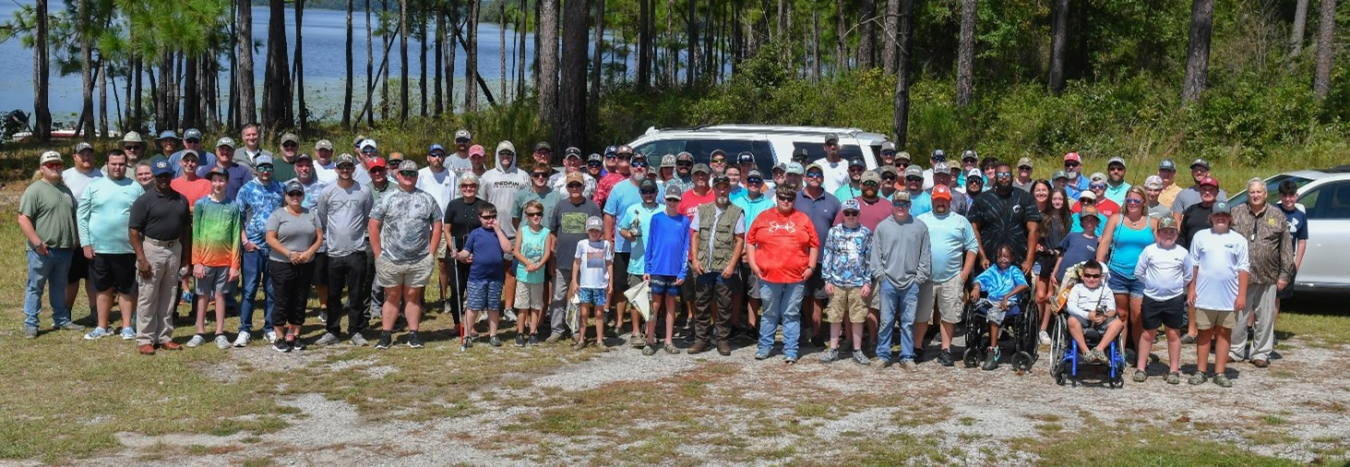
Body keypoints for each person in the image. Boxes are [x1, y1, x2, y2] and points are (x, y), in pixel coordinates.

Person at [370, 160, 443, 350]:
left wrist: (431, 253)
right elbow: (373, 225)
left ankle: (414, 334)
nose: (408, 177)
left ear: (417, 176)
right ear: (397, 175)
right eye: (405, 173)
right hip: (390, 258)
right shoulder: (386, 198)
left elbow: (437, 225)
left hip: (419, 259)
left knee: (413, 296)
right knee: (391, 296)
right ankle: (386, 335)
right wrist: (378, 254)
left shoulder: (427, 198)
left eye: (412, 174)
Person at [748, 183, 819, 364]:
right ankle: (765, 347)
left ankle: (791, 349)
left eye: (790, 198)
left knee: (791, 314)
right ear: (777, 198)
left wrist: (811, 267)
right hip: (768, 275)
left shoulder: (802, 219)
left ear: (794, 200)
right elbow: (750, 240)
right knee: (770, 312)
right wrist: (754, 265)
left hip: (796, 277)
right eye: (782, 198)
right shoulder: (763, 217)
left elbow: (814, 244)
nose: (786, 201)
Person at [77, 150, 143, 340]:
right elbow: (82, 216)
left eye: (121, 164)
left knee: (127, 289)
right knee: (103, 288)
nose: (117, 167)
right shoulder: (94, 186)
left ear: (126, 165)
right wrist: (85, 243)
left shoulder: (135, 187)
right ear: (107, 165)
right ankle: (102, 326)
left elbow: (142, 219)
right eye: (114, 164)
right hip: (100, 248)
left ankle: (126, 327)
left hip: (127, 248)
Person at [128, 159, 192, 355]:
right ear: (154, 177)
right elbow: (133, 231)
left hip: (174, 249)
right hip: (152, 249)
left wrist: (186, 258)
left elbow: (186, 230)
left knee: (169, 294)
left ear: (172, 176)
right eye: (160, 176)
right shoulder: (145, 200)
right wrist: (141, 259)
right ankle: (145, 338)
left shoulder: (181, 199)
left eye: (167, 175)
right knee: (148, 295)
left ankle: (164, 336)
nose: (164, 179)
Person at [20, 151, 84, 338]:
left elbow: (74, 217)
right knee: (35, 286)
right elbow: (23, 218)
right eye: (50, 165)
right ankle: (31, 323)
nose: (55, 167)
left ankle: (61, 320)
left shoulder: (65, 190)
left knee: (59, 286)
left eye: (58, 164)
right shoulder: (34, 190)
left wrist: (76, 240)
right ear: (42, 168)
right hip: (42, 250)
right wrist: (37, 243)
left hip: (65, 250)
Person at [1229, 179, 1292, 368]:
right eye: (1251, 192)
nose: (1255, 195)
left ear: (1265, 194)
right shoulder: (1236, 212)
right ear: (1248, 194)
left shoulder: (1277, 214)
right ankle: (1235, 350)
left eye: (1259, 192)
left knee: (1265, 317)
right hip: (1241, 276)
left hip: (1268, 275)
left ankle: (1261, 353)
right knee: (1239, 316)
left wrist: (1284, 275)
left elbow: (1286, 247)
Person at [1187, 201, 1248, 388]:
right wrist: (1191, 288)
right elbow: (1194, 264)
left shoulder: (1239, 240)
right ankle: (1201, 370)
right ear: (1211, 218)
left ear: (1230, 218)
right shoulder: (1200, 236)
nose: (1220, 218)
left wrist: (1242, 295)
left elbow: (1243, 268)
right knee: (1204, 333)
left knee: (1224, 333)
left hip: (1228, 297)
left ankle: (1220, 372)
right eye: (1217, 215)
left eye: (1224, 215)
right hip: (1205, 295)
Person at [315, 154, 374, 347]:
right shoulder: (327, 192)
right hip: (333, 252)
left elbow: (368, 217)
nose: (345, 170)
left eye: (349, 166)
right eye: (342, 166)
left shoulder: (364, 191)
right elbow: (322, 218)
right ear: (336, 169)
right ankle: (332, 330)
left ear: (354, 169)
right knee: (333, 294)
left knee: (356, 294)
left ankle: (355, 331)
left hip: (356, 251)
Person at [869, 191, 931, 370]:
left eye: (904, 204)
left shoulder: (920, 227)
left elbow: (925, 255)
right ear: (892, 205)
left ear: (910, 205)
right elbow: (875, 256)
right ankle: (883, 354)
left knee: (908, 322)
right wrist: (881, 276)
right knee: (886, 320)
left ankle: (907, 356)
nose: (901, 207)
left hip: (911, 283)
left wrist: (919, 279)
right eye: (897, 203)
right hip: (888, 282)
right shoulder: (882, 227)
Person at [917, 185, 978, 366]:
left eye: (944, 199)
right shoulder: (921, 220)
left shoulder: (960, 221)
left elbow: (972, 247)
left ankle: (945, 349)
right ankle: (917, 347)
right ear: (932, 200)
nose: (941, 203)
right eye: (937, 199)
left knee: (949, 316)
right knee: (920, 315)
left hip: (952, 277)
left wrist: (964, 274)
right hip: (925, 276)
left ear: (950, 201)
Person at [688, 175, 745, 356]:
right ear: (713, 189)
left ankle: (722, 340)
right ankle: (701, 340)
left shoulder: (737, 212)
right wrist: (695, 260)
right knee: (702, 304)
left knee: (724, 305)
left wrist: (731, 265)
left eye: (725, 187)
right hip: (704, 265)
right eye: (718, 187)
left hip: (724, 267)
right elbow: (695, 236)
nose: (722, 191)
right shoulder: (702, 210)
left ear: (729, 190)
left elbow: (739, 241)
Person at [264, 180, 323, 353]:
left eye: (298, 194)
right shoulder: (277, 215)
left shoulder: (311, 214)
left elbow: (319, 237)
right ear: (286, 196)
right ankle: (279, 337)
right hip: (282, 263)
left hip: (305, 263)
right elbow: (270, 238)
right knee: (282, 299)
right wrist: (289, 253)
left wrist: (309, 252)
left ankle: (295, 334)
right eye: (292, 194)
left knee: (300, 298)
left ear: (303, 196)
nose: (295, 197)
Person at [186, 167, 241, 350]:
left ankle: (219, 332)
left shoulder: (233, 206)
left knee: (220, 296)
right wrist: (197, 262)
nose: (218, 184)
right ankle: (200, 331)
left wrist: (235, 265)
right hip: (204, 260)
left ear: (227, 182)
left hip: (224, 262)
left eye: (221, 180)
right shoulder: (202, 204)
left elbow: (235, 237)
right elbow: (196, 234)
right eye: (214, 180)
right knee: (202, 296)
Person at [1097, 186, 1156, 356]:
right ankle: (1119, 353)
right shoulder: (1116, 219)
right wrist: (1100, 266)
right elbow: (1105, 242)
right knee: (1121, 315)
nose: (1132, 203)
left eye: (1136, 200)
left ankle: (1140, 354)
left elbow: (1162, 247)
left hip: (1141, 277)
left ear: (1143, 202)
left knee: (1138, 317)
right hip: (1117, 273)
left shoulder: (1152, 223)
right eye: (1129, 200)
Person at [1133, 216, 1192, 384]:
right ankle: (1141, 368)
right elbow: (1139, 272)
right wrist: (1151, 285)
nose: (1168, 235)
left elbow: (1188, 276)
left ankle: (1173, 369)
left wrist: (1175, 288)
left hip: (1174, 299)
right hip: (1151, 298)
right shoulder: (1149, 250)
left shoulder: (1182, 252)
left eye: (1171, 231)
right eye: (1164, 231)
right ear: (1157, 233)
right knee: (1148, 333)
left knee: (1173, 334)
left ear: (1176, 233)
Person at [548, 172, 604, 343]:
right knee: (558, 296)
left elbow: (598, 235)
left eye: (577, 185)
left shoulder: (592, 207)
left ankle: (575, 329)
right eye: (571, 185)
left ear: (583, 187)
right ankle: (556, 329)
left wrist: (597, 263)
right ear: (566, 187)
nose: (574, 188)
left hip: (585, 263)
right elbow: (553, 233)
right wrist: (551, 257)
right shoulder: (560, 206)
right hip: (562, 260)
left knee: (579, 298)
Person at [235, 156, 284, 346]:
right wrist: (244, 241)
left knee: (272, 291)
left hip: (274, 248)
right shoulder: (246, 189)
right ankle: (245, 329)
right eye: (262, 168)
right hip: (252, 248)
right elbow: (238, 218)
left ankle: (269, 328)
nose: (265, 171)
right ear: (255, 169)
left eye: (269, 168)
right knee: (249, 290)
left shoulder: (280, 188)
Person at [602, 154, 653, 336]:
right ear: (630, 168)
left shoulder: (656, 188)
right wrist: (608, 239)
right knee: (621, 285)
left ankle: (649, 323)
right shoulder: (619, 188)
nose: (639, 167)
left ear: (647, 168)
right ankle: (619, 322)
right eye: (636, 164)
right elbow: (609, 214)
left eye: (643, 165)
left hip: (648, 248)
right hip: (623, 246)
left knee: (648, 286)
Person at [482, 141, 532, 314]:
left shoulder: (523, 176)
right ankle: (489, 307)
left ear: (514, 156)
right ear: (497, 154)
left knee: (511, 271)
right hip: (491, 231)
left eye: (509, 153)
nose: (505, 156)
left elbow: (529, 204)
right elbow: (481, 204)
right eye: (502, 153)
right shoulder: (488, 176)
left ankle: (508, 307)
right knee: (490, 271)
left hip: (514, 232)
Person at [819, 198, 871, 365]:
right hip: (837, 282)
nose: (850, 216)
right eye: (847, 213)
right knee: (835, 316)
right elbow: (828, 255)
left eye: (853, 213)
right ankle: (833, 348)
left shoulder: (865, 232)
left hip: (858, 283)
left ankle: (857, 349)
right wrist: (827, 279)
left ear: (859, 214)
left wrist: (867, 282)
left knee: (858, 317)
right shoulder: (834, 232)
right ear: (842, 214)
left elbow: (869, 259)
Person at [643, 184, 693, 355]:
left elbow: (687, 247)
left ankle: (669, 340)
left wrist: (683, 271)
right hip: (657, 268)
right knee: (655, 305)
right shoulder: (656, 218)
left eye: (675, 200)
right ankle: (649, 340)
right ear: (664, 199)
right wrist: (647, 267)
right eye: (670, 199)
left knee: (671, 305)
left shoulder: (685, 220)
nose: (672, 202)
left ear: (679, 201)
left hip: (675, 270)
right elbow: (650, 243)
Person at [795, 163, 841, 347]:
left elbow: (837, 230)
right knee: (801, 295)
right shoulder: (795, 198)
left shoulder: (832, 201)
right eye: (811, 174)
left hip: (823, 257)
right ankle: (804, 328)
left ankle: (816, 333)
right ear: (804, 177)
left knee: (818, 297)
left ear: (822, 178)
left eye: (818, 174)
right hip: (798, 257)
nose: (814, 176)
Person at [969, 163, 1041, 277]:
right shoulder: (981, 199)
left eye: (1007, 174)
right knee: (986, 294)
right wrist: (982, 256)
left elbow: (1034, 230)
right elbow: (974, 230)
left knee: (1018, 294)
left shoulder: (1025, 197)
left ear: (1012, 177)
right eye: (1000, 174)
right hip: (988, 263)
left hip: (1018, 262)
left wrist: (1029, 260)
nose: (1004, 177)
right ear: (995, 177)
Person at [459, 202, 514, 348]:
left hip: (495, 277)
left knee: (494, 307)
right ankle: (467, 335)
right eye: (486, 217)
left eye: (493, 217)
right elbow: (466, 251)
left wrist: (499, 231)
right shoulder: (475, 234)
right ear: (479, 218)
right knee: (473, 306)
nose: (490, 220)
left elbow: (508, 248)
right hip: (477, 277)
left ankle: (493, 335)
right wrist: (458, 255)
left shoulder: (499, 233)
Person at [969, 245, 1030, 370]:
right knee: (977, 306)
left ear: (1012, 258)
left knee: (994, 313)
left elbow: (1023, 285)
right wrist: (976, 288)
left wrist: (1007, 296)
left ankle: (993, 351)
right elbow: (979, 280)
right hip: (993, 301)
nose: (1003, 259)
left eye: (1006, 256)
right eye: (1000, 257)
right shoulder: (993, 270)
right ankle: (976, 344)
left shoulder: (1014, 270)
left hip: (1011, 303)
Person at [417, 143, 460, 317]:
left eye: (440, 155)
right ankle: (420, 300)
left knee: (443, 263)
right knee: (421, 263)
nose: (437, 158)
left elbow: (455, 198)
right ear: (428, 157)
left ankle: (444, 299)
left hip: (443, 226)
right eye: (434, 155)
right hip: (422, 225)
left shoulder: (451, 175)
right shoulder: (420, 174)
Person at [619, 179, 664, 345]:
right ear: (640, 193)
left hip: (658, 263)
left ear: (657, 192)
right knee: (637, 298)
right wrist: (628, 234)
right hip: (637, 262)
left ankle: (649, 331)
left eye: (651, 191)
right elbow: (621, 228)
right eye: (645, 191)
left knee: (654, 300)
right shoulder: (633, 210)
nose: (648, 194)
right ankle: (636, 332)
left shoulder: (664, 210)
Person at [63, 142, 102, 323]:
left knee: (92, 277)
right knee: (71, 278)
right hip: (71, 237)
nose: (86, 158)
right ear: (74, 157)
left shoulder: (101, 176)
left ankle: (95, 312)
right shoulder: (65, 176)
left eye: (89, 154)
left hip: (94, 236)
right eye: (82, 154)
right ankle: (65, 313)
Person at [442, 174, 484, 331]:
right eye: (465, 185)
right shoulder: (453, 205)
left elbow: (486, 230)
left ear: (477, 187)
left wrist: (475, 253)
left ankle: (470, 324)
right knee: (457, 288)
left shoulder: (483, 205)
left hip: (476, 254)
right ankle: (457, 323)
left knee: (473, 289)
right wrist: (454, 250)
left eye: (472, 185)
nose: (468, 188)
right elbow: (447, 230)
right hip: (455, 253)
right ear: (460, 188)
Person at [1063, 260, 1125, 364]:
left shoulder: (1106, 290)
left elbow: (1112, 309)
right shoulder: (1077, 288)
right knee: (1072, 320)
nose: (1091, 279)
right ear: (1083, 276)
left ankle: (1099, 350)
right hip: (1082, 316)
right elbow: (1071, 306)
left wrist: (1105, 316)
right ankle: (1085, 352)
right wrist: (1087, 315)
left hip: (1101, 317)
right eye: (1088, 275)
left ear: (1101, 277)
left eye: (1095, 276)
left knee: (1118, 323)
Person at [512, 199, 553, 346]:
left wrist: (538, 265)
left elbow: (547, 253)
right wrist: (528, 263)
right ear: (527, 216)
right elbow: (516, 251)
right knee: (522, 305)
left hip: (538, 274)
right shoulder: (522, 231)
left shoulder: (546, 233)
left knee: (536, 305)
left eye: (538, 214)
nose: (535, 217)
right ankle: (520, 332)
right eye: (532, 214)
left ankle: (533, 331)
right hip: (523, 273)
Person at [569, 216, 614, 349]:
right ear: (587, 231)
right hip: (585, 285)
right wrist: (574, 281)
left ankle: (600, 340)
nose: (594, 233)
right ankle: (581, 339)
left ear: (601, 231)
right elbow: (577, 262)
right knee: (584, 312)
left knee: (599, 313)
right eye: (591, 230)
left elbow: (609, 263)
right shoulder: (582, 244)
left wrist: (611, 282)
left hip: (600, 285)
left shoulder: (605, 245)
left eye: (597, 230)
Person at [1035, 186, 1071, 343]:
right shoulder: (1042, 217)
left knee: (1051, 296)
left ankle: (1043, 329)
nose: (1057, 202)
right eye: (1055, 199)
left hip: (1059, 261)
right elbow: (1034, 235)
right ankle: (1034, 326)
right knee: (1040, 296)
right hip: (1042, 259)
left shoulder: (1068, 220)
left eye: (1060, 199)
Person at [1274, 180, 1307, 325]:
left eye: (1291, 195)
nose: (1288, 199)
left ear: (1297, 196)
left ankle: (1270, 330)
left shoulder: (1300, 215)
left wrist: (1296, 263)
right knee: (1259, 296)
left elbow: (1302, 240)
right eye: (1285, 195)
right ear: (1280, 196)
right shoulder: (1273, 211)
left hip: (1286, 262)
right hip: (1269, 260)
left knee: (1277, 297)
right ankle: (1250, 328)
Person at [1053, 205, 1102, 284]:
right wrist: (1054, 273)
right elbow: (1061, 254)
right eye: (1086, 220)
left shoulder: (1098, 242)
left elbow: (1100, 261)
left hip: (1082, 282)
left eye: (1092, 220)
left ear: (1097, 222)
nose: (1089, 222)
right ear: (1082, 221)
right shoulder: (1072, 235)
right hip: (1063, 277)